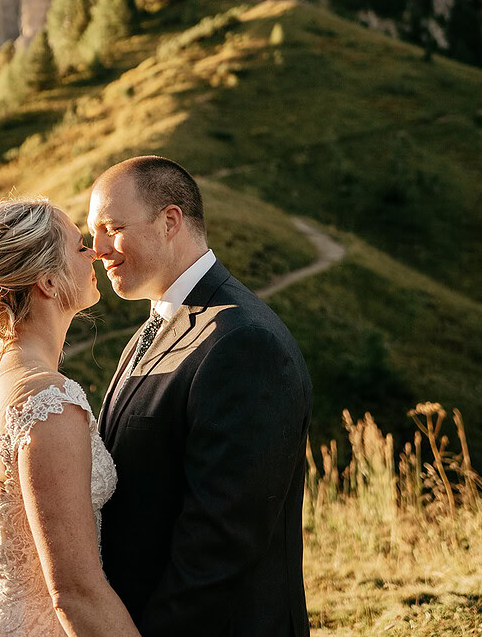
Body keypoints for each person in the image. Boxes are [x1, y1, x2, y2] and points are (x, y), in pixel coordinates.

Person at [88, 156, 313, 637]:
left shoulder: (243, 342)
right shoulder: (159, 323)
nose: (98, 249)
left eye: (111, 227)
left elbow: (223, 538)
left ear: (170, 221)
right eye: (93, 233)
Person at [0, 197, 141, 637]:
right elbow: (76, 594)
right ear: (47, 280)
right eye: (80, 247)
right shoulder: (47, 402)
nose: (97, 255)